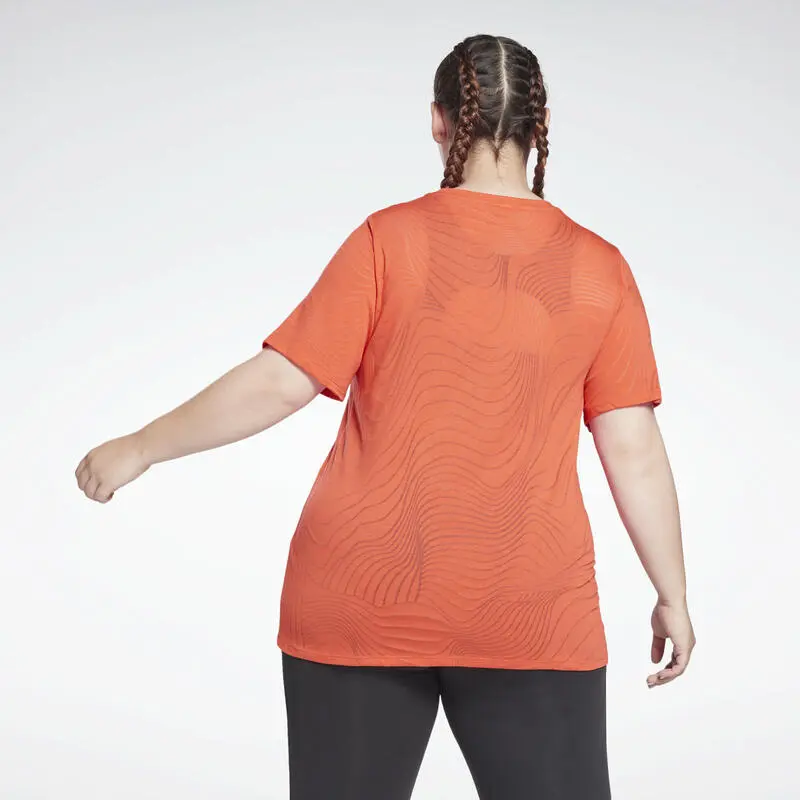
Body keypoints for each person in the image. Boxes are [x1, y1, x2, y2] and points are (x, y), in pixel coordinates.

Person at [75, 33, 696, 800]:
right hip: (529, 612)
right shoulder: (598, 267)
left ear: (439, 120)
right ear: (540, 126)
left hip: (359, 596)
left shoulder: (388, 240)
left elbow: (282, 382)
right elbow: (631, 445)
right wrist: (672, 592)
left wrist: (142, 446)